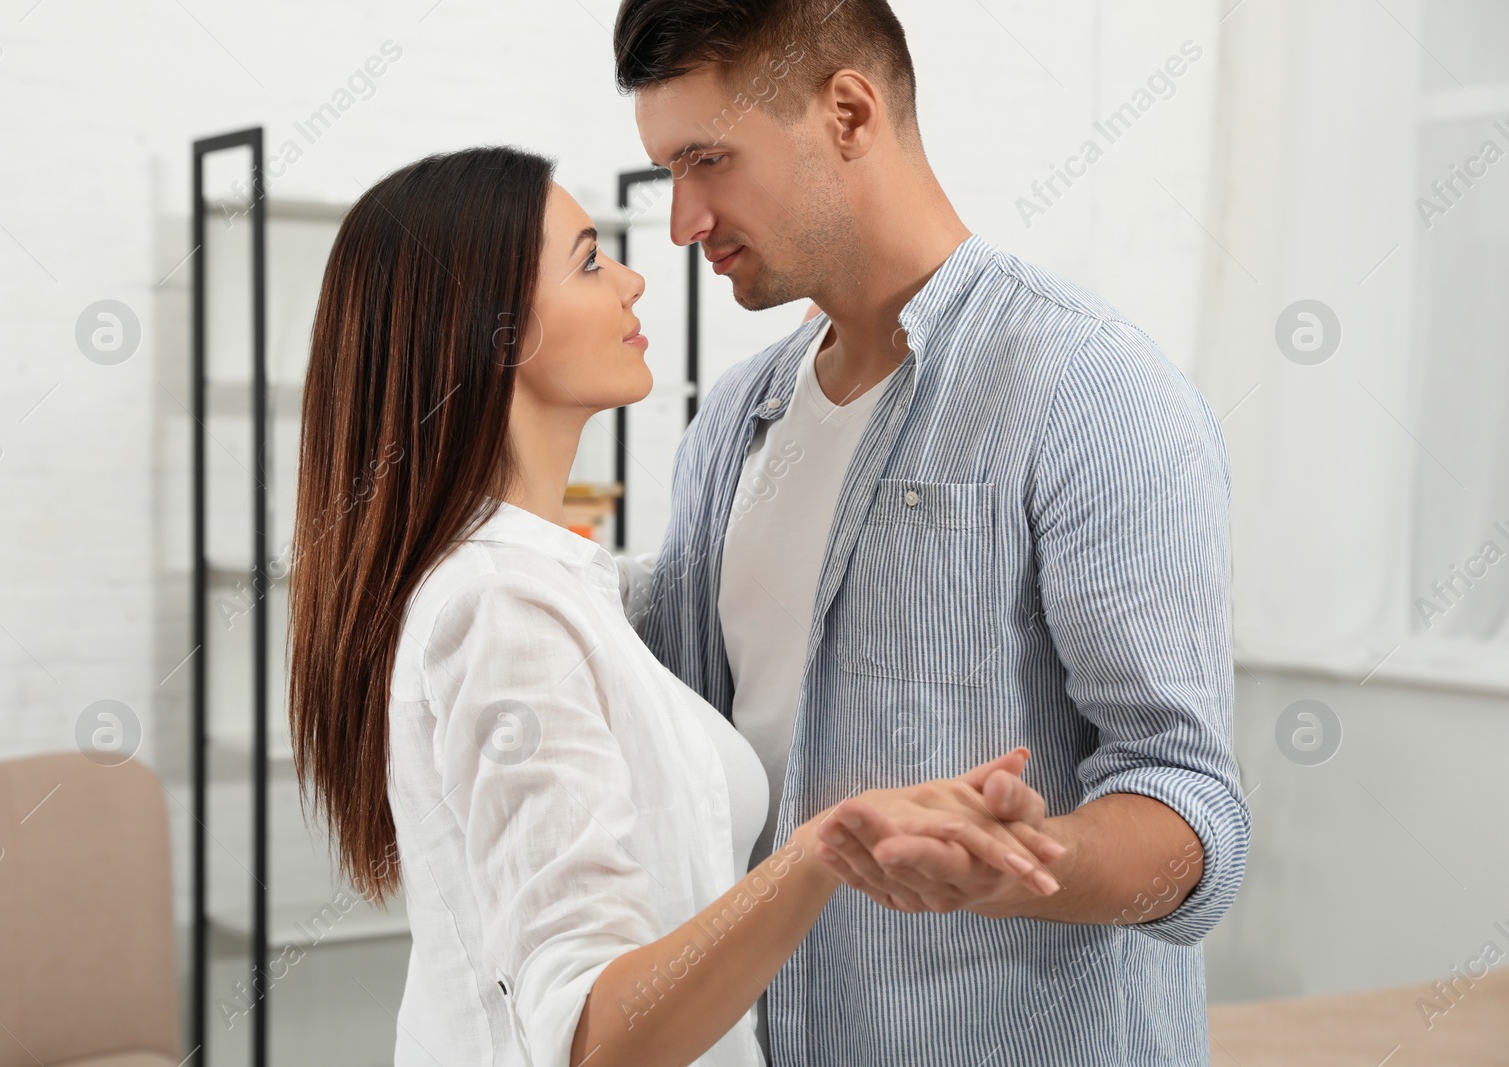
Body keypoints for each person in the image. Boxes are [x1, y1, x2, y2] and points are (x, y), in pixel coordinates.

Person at [284, 146, 1065, 1067]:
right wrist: (820, 854)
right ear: (494, 330)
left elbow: (727, 574)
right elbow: (594, 1036)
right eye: (587, 260)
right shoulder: (501, 613)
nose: (634, 276)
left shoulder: (561, 585)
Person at [611, 0, 1252, 1063]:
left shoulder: (1091, 389)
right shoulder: (731, 422)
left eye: (708, 160)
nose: (683, 220)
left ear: (850, 113)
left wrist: (1030, 859)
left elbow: (1190, 807)